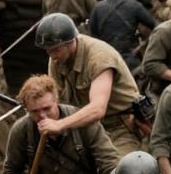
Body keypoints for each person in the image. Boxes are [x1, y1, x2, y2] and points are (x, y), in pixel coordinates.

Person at [37, 13, 148, 156]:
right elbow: (56, 99)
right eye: (47, 50)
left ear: (70, 42)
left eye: (55, 49)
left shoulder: (99, 57)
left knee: (120, 172)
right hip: (82, 129)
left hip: (118, 128)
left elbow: (97, 109)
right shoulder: (57, 58)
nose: (51, 55)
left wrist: (59, 125)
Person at [86, 0, 157, 74]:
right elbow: (156, 26)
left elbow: (93, 35)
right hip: (129, 59)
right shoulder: (135, 6)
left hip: (105, 58)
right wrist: (146, 43)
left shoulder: (98, 8)